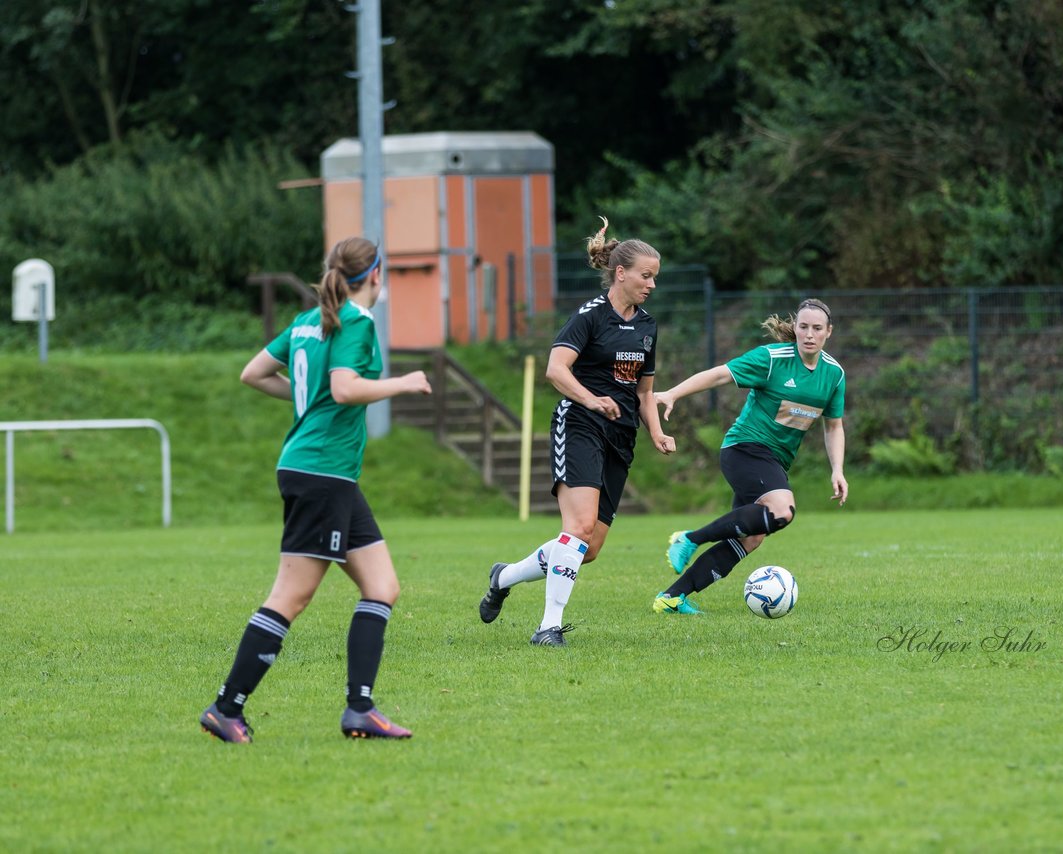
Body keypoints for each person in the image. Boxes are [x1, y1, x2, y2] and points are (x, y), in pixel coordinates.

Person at [200, 236, 432, 743]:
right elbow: (347, 387)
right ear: (375, 275)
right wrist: (404, 382)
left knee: (382, 586)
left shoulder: (308, 321)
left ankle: (360, 710)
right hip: (321, 471)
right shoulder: (357, 321)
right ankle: (225, 707)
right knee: (291, 595)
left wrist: (307, 399)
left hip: (329, 474)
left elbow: (254, 374)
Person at [478, 217, 676, 645]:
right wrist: (590, 399)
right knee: (580, 526)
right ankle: (548, 627)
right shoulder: (589, 316)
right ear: (621, 273)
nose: (651, 285)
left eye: (654, 278)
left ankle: (504, 577)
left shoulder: (647, 326)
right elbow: (555, 369)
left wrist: (657, 431)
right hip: (580, 424)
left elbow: (645, 392)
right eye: (646, 276)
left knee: (589, 548)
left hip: (621, 437)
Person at [650, 298, 847, 614]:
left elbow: (833, 426)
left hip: (775, 461)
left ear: (828, 332)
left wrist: (837, 469)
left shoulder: (833, 375)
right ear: (795, 328)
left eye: (817, 328)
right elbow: (720, 375)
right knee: (782, 512)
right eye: (804, 326)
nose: (809, 334)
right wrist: (673, 393)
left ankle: (672, 597)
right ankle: (688, 538)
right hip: (745, 449)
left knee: (753, 537)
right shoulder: (772, 359)